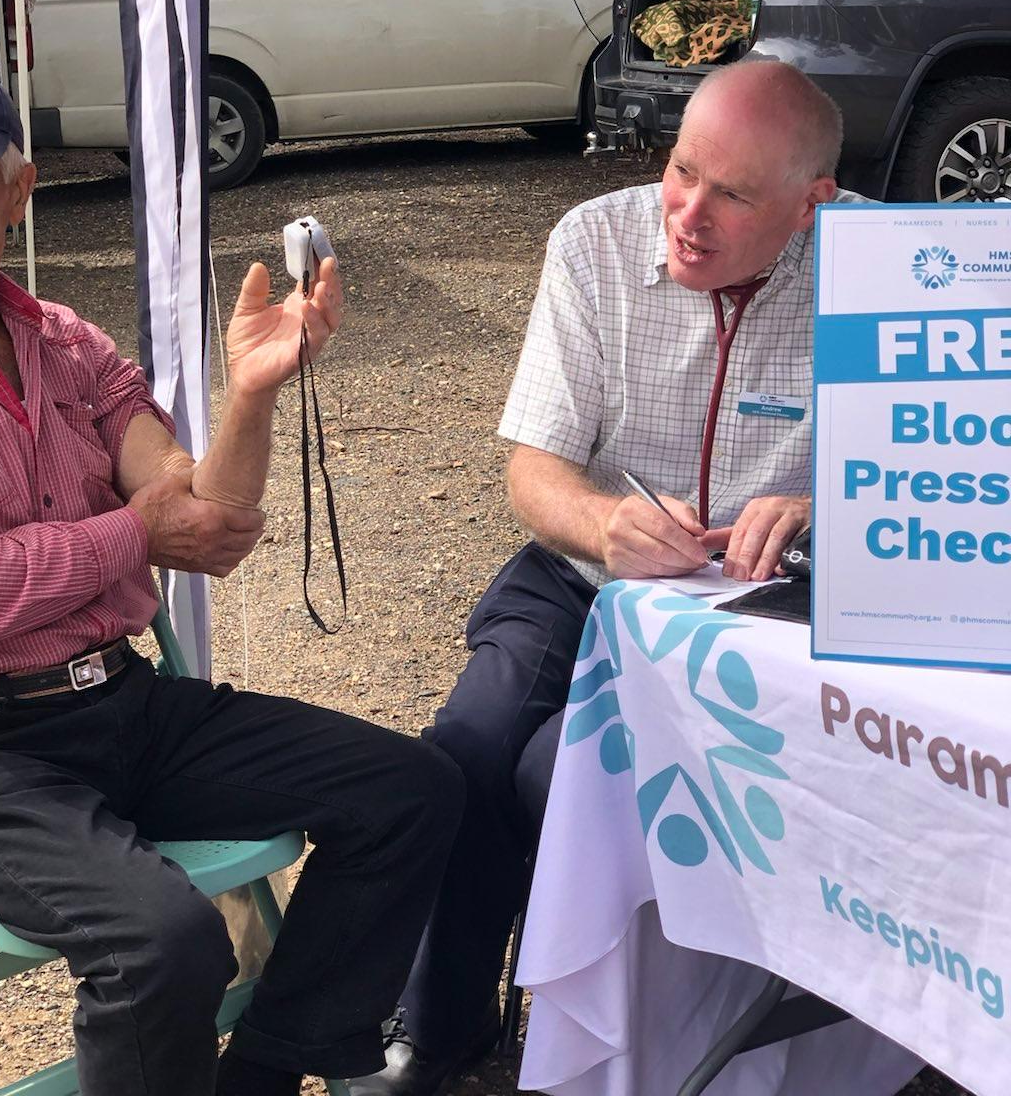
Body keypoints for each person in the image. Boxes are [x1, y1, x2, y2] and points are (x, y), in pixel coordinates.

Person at [0, 54, 464, 1096]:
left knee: (413, 789)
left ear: (17, 189)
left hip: (116, 703)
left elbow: (202, 522)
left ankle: (265, 1070)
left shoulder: (63, 340)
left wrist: (249, 395)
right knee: (164, 941)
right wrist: (131, 533)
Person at [351, 60, 847, 1096]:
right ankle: (439, 1024)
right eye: (681, 172)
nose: (688, 214)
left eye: (733, 195)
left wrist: (831, 507)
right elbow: (533, 467)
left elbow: (951, 477)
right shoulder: (593, 240)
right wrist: (601, 522)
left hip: (756, 612)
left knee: (562, 774)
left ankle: (630, 1032)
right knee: (469, 747)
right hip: (582, 575)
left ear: (814, 208)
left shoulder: (885, 273)